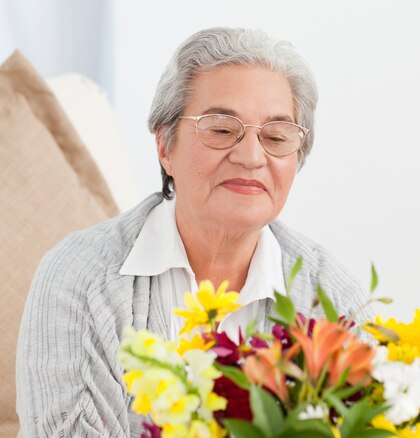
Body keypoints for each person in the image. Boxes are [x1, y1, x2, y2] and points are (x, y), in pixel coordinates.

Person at [15, 27, 372, 437]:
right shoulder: (78, 278)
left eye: (276, 136)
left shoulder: (333, 298)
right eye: (221, 129)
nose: (252, 157)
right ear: (165, 146)